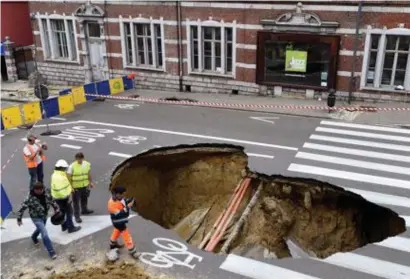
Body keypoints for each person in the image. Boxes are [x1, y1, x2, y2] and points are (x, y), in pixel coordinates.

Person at [16, 182, 59, 259]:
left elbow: (52, 201)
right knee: (44, 233)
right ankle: (51, 252)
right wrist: (19, 219)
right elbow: (21, 209)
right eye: (37, 190)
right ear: (34, 190)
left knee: (40, 229)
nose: (39, 192)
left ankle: (34, 237)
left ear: (43, 189)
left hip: (44, 215)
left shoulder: (47, 193)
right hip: (36, 217)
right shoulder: (29, 198)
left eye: (41, 190)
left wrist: (56, 209)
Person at [108, 186, 139, 258]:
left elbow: (123, 202)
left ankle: (112, 244)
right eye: (122, 194)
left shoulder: (120, 198)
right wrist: (128, 207)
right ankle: (132, 250)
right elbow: (119, 213)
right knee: (126, 234)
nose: (123, 196)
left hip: (120, 220)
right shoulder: (111, 203)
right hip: (118, 221)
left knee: (117, 231)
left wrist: (130, 200)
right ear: (118, 194)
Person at [50, 159, 81, 233]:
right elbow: (63, 189)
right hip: (64, 198)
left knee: (62, 212)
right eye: (64, 168)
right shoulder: (61, 177)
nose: (65, 169)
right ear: (61, 168)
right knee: (69, 212)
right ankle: (71, 228)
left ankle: (64, 226)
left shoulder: (54, 175)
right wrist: (69, 197)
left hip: (57, 197)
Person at [67, 152, 95, 223]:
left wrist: (90, 182)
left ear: (83, 158)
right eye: (78, 159)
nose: (80, 160)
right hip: (76, 187)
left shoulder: (86, 164)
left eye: (81, 159)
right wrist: (70, 187)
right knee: (76, 202)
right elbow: (69, 178)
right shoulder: (72, 166)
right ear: (76, 158)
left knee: (84, 199)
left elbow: (88, 174)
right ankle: (77, 216)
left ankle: (84, 210)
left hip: (84, 185)